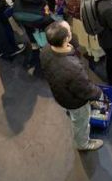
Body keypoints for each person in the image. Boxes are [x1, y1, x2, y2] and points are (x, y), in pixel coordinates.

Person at [40, 21, 104, 152]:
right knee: (81, 123)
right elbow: (85, 89)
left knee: (74, 113)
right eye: (70, 30)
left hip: (60, 93)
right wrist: (98, 94)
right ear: (65, 39)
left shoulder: (46, 49)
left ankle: (71, 113)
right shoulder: (71, 68)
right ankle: (83, 144)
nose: (72, 32)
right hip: (75, 102)